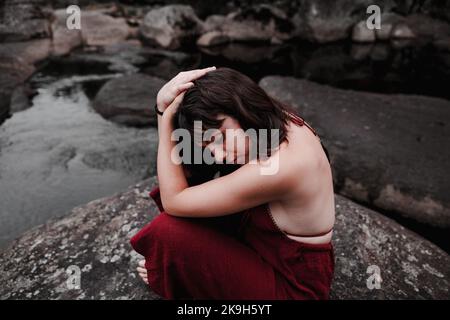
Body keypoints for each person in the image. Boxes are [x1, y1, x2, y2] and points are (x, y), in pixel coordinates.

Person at [130, 67, 335, 299]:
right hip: (260, 242)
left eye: (221, 137)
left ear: (240, 107)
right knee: (194, 173)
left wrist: (164, 116)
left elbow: (174, 201)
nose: (219, 154)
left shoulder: (285, 165)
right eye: (209, 145)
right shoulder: (272, 117)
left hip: (292, 285)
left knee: (167, 232)